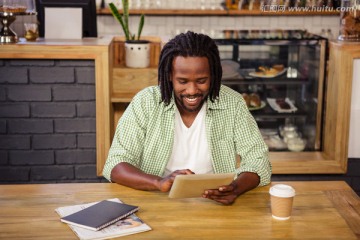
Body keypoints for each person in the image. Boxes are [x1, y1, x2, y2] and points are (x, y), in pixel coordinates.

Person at [103, 31, 271, 205]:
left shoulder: (232, 103)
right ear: (169, 76)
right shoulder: (146, 102)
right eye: (182, 81)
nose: (192, 90)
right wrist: (158, 182)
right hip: (157, 201)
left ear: (213, 75)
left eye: (201, 80)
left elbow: (258, 160)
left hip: (215, 205)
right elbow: (116, 164)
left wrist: (235, 188)